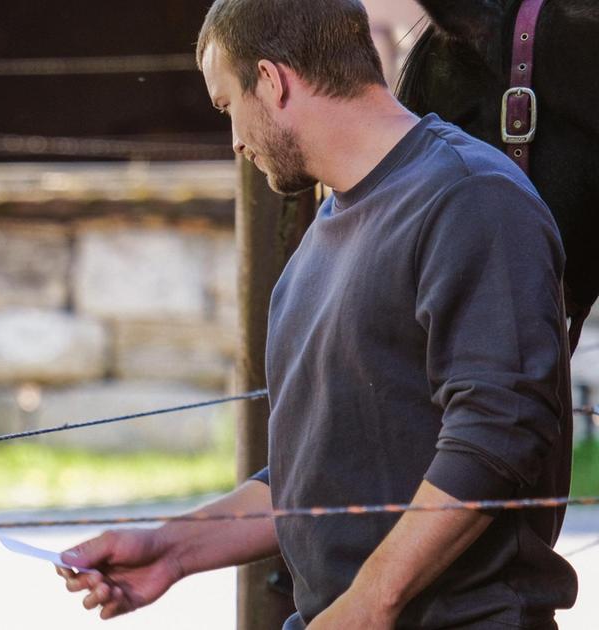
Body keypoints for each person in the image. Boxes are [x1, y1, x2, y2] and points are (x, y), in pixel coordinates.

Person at [57, 0, 576, 627]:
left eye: (228, 107)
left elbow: (501, 429)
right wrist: (170, 549)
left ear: (272, 82)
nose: (235, 141)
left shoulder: (470, 195)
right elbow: (317, 473)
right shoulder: (318, 243)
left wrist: (370, 600)